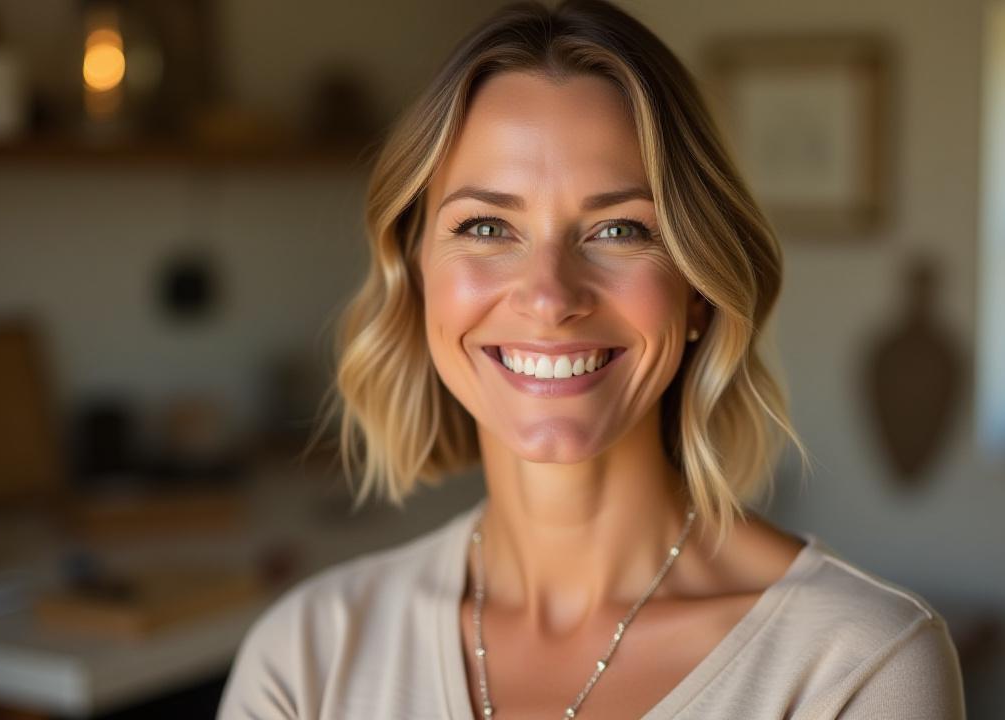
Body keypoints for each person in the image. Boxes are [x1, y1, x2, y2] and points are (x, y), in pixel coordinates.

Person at [217, 1, 966, 718]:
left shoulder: (856, 667)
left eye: (617, 231)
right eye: (485, 226)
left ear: (698, 290)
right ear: (417, 276)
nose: (549, 295)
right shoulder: (307, 657)